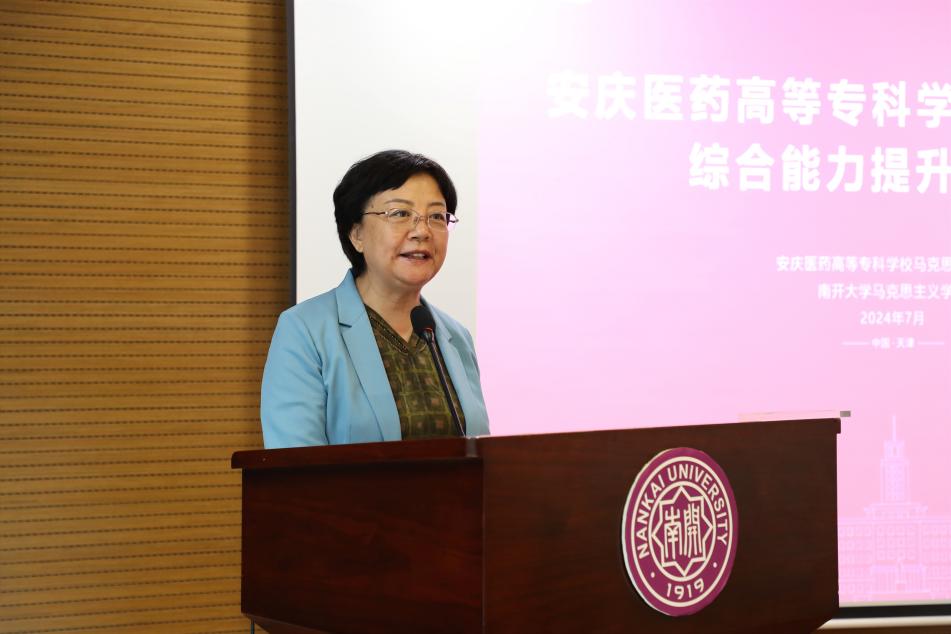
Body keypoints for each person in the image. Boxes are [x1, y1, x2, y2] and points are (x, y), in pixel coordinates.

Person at [260, 150, 490, 448]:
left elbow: (479, 453)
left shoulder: (455, 337)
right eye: (400, 214)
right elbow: (294, 465)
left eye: (436, 216)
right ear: (356, 233)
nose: (422, 231)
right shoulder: (305, 331)